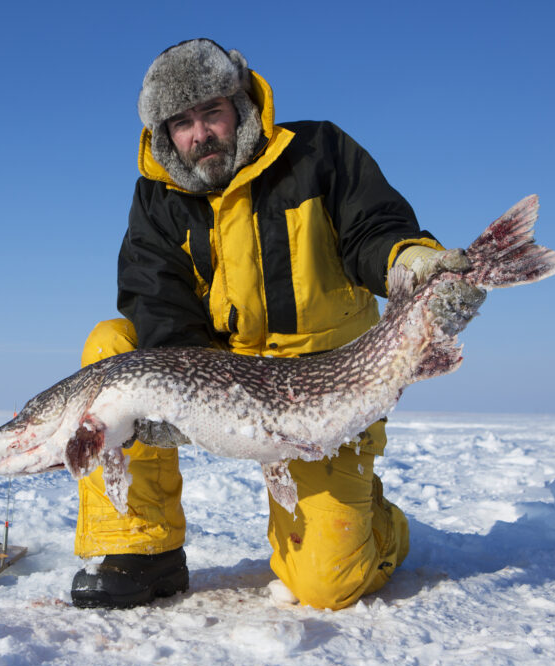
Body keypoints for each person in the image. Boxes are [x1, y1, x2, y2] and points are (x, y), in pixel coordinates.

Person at [70, 39, 460, 610]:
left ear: (241, 104)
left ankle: (382, 527)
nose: (199, 133)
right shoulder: (156, 198)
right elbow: (156, 299)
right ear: (164, 134)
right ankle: (142, 549)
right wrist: (179, 399)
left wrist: (409, 261)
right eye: (182, 122)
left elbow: (372, 229)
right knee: (113, 348)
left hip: (324, 391)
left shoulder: (318, 151)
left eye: (211, 114)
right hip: (227, 383)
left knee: (328, 584)